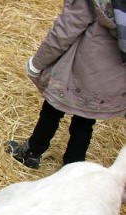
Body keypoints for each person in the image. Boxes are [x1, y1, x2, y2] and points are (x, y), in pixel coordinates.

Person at [7, 0, 126, 169]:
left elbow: (66, 29)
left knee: (52, 109)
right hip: (108, 80)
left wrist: (37, 62)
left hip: (80, 69)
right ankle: (72, 169)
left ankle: (31, 152)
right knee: (85, 121)